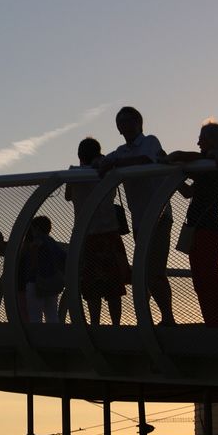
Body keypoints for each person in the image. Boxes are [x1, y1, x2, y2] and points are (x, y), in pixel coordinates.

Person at [98, 106, 176, 326]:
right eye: (120, 123)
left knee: (155, 270)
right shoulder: (120, 151)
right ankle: (152, 318)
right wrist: (100, 163)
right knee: (145, 269)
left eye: (128, 121)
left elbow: (146, 160)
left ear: (139, 123)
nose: (124, 126)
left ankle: (167, 318)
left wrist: (114, 163)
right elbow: (104, 163)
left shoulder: (150, 141)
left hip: (159, 217)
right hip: (140, 221)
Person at [168, 122, 218, 327]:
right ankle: (214, 322)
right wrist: (176, 175)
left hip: (207, 229)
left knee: (208, 279)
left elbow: (183, 156)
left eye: (201, 138)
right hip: (200, 228)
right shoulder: (207, 165)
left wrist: (174, 160)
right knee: (201, 279)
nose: (198, 142)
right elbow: (188, 193)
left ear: (212, 141)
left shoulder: (213, 164)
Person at [66, 137, 131, 326]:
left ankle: (95, 324)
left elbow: (68, 196)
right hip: (110, 231)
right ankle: (116, 325)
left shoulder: (73, 173)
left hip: (86, 235)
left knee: (91, 285)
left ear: (80, 155)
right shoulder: (108, 172)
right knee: (114, 286)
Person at [23, 215, 67, 323]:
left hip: (36, 281)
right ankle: (54, 337)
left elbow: (35, 246)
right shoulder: (52, 242)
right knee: (52, 315)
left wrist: (32, 265)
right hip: (51, 283)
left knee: (35, 317)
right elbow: (64, 257)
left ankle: (37, 339)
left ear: (37, 228)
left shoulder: (38, 239)